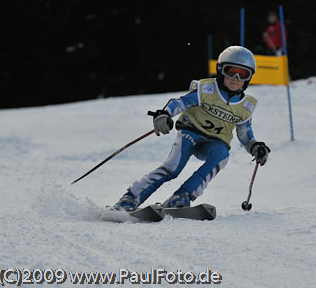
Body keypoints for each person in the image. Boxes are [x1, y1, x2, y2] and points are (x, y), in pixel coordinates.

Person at [113, 46, 270, 211]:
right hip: (190, 133)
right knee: (173, 168)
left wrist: (255, 147)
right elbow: (180, 103)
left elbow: (244, 133)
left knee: (222, 155)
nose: (236, 78)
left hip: (214, 143)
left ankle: (183, 196)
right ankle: (131, 198)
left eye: (243, 74)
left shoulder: (246, 106)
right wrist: (164, 114)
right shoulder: (207, 90)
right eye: (231, 72)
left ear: (249, 78)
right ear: (220, 71)